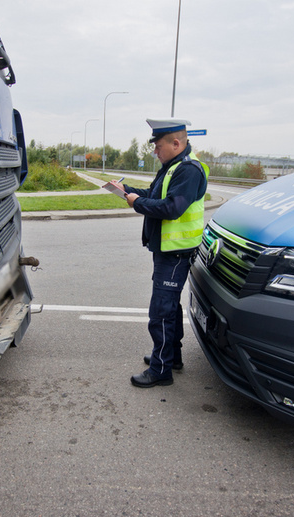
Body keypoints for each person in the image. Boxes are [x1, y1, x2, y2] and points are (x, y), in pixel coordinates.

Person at [112, 118, 209, 388]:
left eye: (158, 146)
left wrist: (137, 204)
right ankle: (171, 357)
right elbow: (155, 195)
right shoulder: (172, 167)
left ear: (176, 143)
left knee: (161, 312)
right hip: (168, 251)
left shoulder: (188, 170)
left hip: (176, 254)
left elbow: (171, 208)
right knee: (170, 308)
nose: (155, 151)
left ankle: (161, 370)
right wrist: (127, 192)